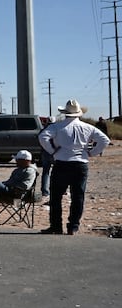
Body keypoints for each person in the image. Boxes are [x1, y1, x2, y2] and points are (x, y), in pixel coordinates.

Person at [38, 99, 110, 235]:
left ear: (65, 113)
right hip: (80, 163)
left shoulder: (57, 126)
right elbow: (105, 140)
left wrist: (52, 150)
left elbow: (43, 137)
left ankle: (56, 226)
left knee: (56, 197)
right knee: (78, 196)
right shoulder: (88, 127)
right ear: (79, 113)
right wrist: (92, 152)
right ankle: (73, 226)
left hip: (62, 163)